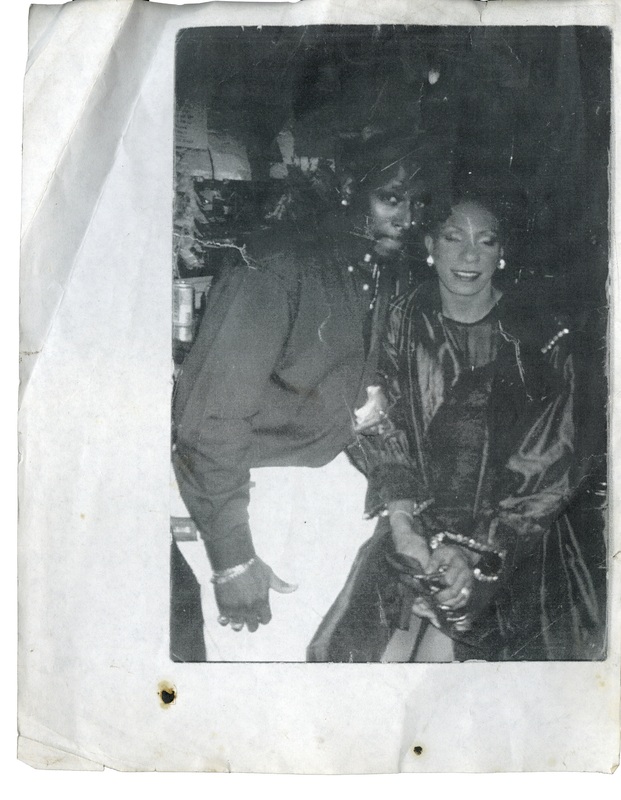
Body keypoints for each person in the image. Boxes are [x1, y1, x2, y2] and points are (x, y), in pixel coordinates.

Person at [309, 193, 605, 662]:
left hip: (517, 546)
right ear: (429, 245)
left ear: (502, 253)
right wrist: (403, 524)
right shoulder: (400, 319)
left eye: (485, 242)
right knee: (362, 665)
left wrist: (476, 552)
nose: (469, 256)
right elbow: (377, 419)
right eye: (453, 238)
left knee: (452, 682)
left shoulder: (545, 337)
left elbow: (554, 460)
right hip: (417, 530)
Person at [172, 130, 427, 661]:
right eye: (392, 198)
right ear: (348, 192)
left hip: (310, 489)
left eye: (417, 203)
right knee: (253, 676)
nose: (407, 219)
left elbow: (359, 401)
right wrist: (233, 559)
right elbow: (208, 422)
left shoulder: (369, 273)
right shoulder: (276, 264)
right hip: (244, 496)